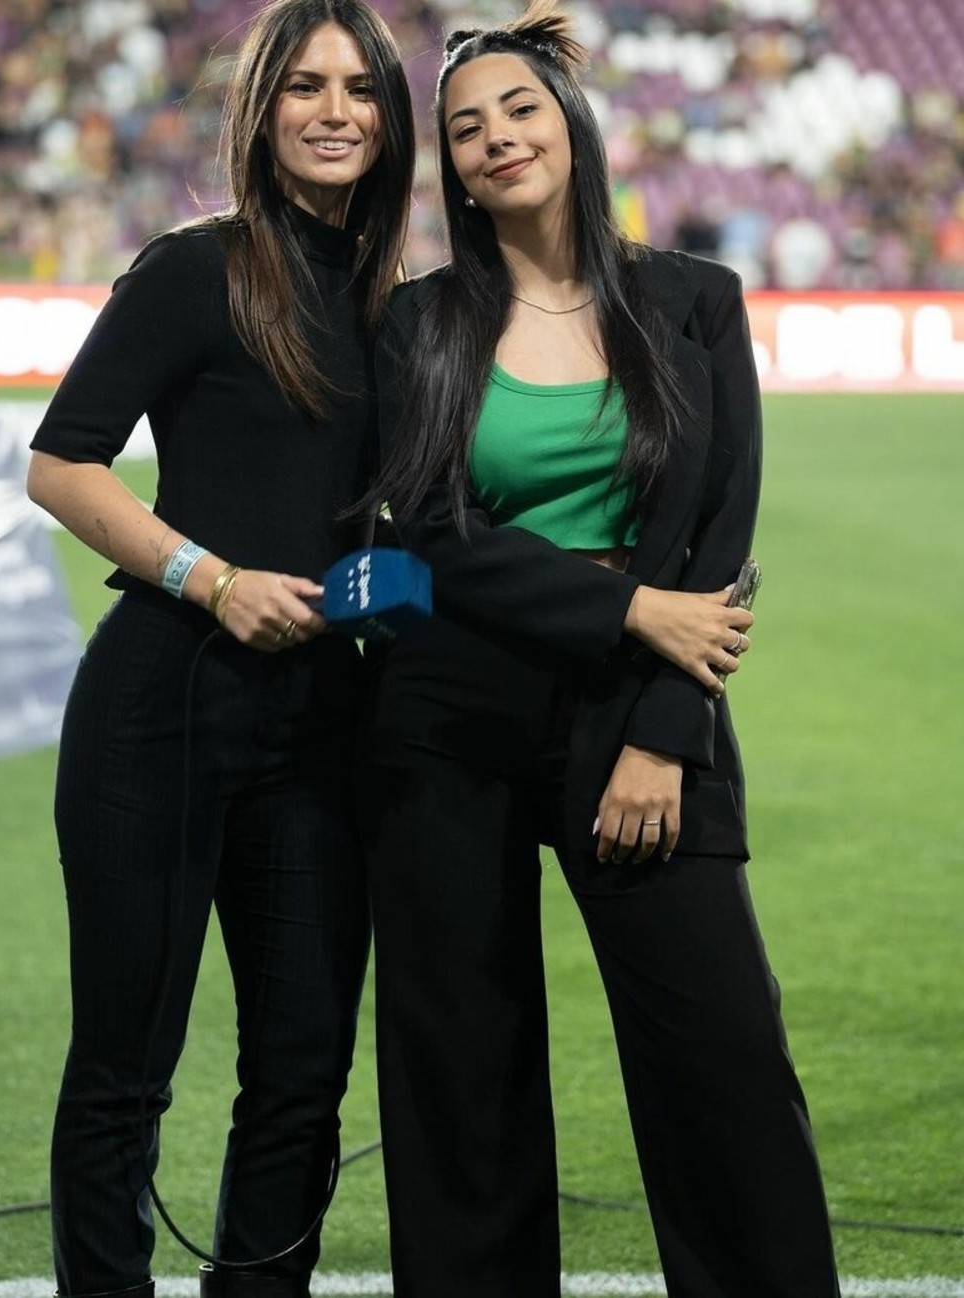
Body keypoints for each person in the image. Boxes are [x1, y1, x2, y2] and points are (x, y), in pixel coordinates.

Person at [360, 4, 841, 1295]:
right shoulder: (419, 323)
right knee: (461, 1068)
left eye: (520, 109)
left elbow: (719, 532)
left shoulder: (696, 302)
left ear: (572, 124)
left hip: (644, 706)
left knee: (723, 1059)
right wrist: (628, 609)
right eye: (467, 129)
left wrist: (662, 734)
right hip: (449, 707)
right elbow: (434, 536)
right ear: (455, 172)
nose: (497, 138)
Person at [25, 3, 413, 1296]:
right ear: (260, 109)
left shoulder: (396, 305)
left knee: (303, 1073)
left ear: (390, 116)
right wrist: (213, 578)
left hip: (323, 728)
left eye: (360, 87)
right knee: (124, 1070)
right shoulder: (197, 268)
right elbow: (60, 463)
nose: (335, 110)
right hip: (163, 709)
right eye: (304, 85)